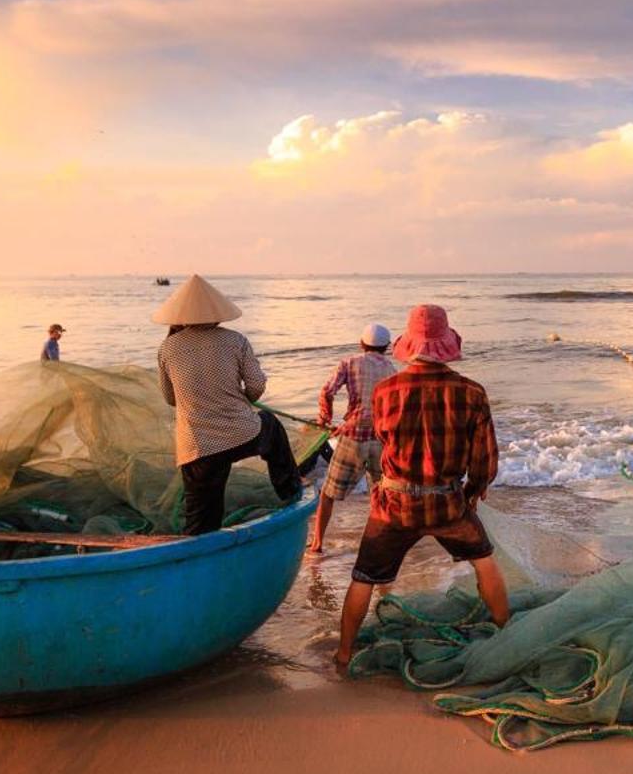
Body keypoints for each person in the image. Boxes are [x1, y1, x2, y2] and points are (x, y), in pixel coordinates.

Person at [334, 305, 510, 669]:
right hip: (447, 502)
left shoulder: (385, 392)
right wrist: (473, 492)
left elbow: (384, 441)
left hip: (393, 505)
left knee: (363, 577)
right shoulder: (472, 393)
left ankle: (344, 653)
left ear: (408, 345)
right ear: (447, 345)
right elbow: (485, 461)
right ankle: (507, 637)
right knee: (485, 562)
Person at [152, 275, 302, 534]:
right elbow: (256, 388)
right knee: (271, 427)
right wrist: (240, 396)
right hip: (242, 433)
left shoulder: (167, 348)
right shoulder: (235, 340)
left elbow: (170, 399)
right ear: (217, 313)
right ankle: (289, 490)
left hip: (198, 447)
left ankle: (200, 561)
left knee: (200, 523)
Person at [309, 322, 399, 552]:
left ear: (361, 344)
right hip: (381, 440)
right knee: (379, 496)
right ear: (387, 347)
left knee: (328, 494)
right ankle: (379, 541)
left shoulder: (349, 363)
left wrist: (325, 418)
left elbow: (327, 391)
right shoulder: (392, 371)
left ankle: (318, 543)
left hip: (353, 437)